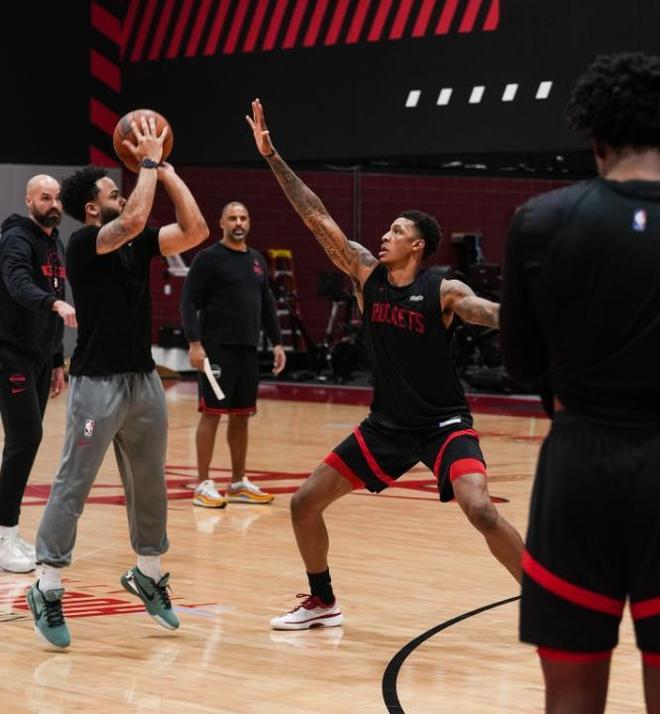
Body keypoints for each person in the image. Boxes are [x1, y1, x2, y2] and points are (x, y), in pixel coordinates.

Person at [246, 99, 524, 631]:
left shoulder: (441, 289)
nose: (384, 235)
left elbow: (484, 311)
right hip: (386, 427)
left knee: (482, 509)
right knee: (304, 503)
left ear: (417, 245)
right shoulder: (365, 275)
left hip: (443, 425)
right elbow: (315, 216)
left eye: (396, 231)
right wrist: (272, 156)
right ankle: (322, 601)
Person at [501, 52, 660, 714]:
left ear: (594, 136)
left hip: (578, 471)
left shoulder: (540, 221)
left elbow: (520, 364)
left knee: (570, 699)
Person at [26, 116, 208, 648]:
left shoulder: (138, 241)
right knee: (74, 483)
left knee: (150, 482)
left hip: (143, 381)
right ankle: (47, 583)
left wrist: (167, 172)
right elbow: (130, 221)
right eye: (112, 191)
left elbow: (196, 230)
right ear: (91, 208)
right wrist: (147, 161)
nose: (123, 194)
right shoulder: (85, 243)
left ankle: (148, 574)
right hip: (96, 384)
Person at [180, 201, 286, 508]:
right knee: (212, 413)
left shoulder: (256, 260)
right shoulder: (208, 259)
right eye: (233, 218)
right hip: (216, 350)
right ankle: (203, 484)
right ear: (222, 223)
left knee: (242, 415)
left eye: (243, 218)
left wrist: (278, 343)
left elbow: (266, 304)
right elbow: (188, 302)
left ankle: (238, 483)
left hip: (248, 350)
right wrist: (195, 343)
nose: (239, 223)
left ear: (249, 222)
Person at [0, 175, 76, 573]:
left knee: (27, 439)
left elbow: (55, 295)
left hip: (41, 356)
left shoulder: (55, 243)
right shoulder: (16, 239)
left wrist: (57, 359)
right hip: (10, 353)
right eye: (45, 197)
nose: (53, 204)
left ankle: (8, 531)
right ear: (29, 200)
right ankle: (4, 535)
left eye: (57, 198)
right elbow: (17, 285)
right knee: (25, 438)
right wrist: (54, 305)